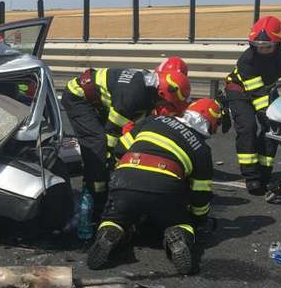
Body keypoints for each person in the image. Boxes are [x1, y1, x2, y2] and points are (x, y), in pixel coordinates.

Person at [86, 98, 222, 274]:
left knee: (114, 217)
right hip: (164, 188)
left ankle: (109, 231)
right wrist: (198, 219)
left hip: (125, 179)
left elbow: (120, 148)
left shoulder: (154, 120)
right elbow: (200, 194)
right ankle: (178, 237)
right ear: (210, 124)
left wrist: (121, 176)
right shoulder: (201, 149)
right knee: (181, 223)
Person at [61, 62, 191, 219]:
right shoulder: (133, 96)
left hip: (100, 100)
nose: (166, 108)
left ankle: (100, 186)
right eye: (168, 104)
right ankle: (94, 193)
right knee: (98, 145)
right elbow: (111, 134)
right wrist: (112, 163)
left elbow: (137, 128)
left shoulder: (148, 90)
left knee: (109, 149)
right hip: (78, 97)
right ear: (162, 94)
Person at [224, 16, 281, 195]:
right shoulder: (246, 60)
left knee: (272, 129)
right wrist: (269, 114)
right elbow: (258, 96)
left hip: (264, 91)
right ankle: (251, 176)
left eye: (267, 46)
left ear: (280, 44)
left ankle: (264, 172)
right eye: (259, 46)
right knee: (248, 128)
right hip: (240, 91)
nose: (263, 50)